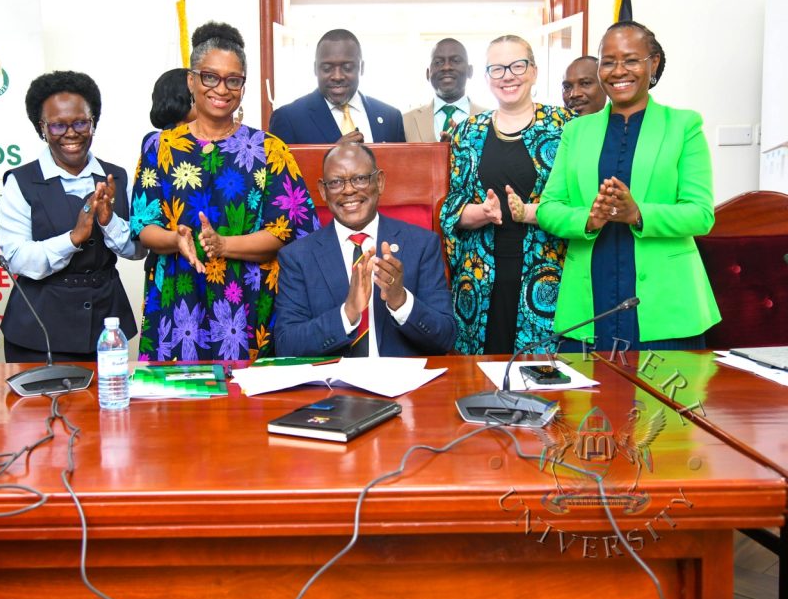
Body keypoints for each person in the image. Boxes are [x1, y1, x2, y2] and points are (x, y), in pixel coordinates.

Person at [130, 21, 320, 361]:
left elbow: (289, 232)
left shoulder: (270, 150)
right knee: (180, 407)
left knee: (249, 407)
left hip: (248, 300)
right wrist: (175, 240)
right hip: (178, 297)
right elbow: (144, 226)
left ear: (243, 86)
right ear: (191, 80)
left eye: (233, 80)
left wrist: (224, 246)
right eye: (210, 77)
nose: (222, 88)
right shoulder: (160, 147)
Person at [539, 21, 720, 351]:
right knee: (587, 402)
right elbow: (549, 208)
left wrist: (638, 214)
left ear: (653, 64)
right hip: (588, 303)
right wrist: (588, 220)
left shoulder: (683, 126)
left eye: (631, 60)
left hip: (667, 309)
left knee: (666, 400)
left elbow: (700, 214)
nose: (618, 70)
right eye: (608, 61)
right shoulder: (576, 132)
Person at [439, 35, 575, 355]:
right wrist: (481, 213)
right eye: (497, 69)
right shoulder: (466, 132)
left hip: (548, 275)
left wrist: (531, 211)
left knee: (541, 384)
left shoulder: (567, 126)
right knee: (481, 379)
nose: (508, 76)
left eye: (517, 65)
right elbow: (452, 204)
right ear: (486, 78)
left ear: (534, 72)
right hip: (480, 277)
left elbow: (578, 201)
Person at [0, 71, 143, 362]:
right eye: (57, 126)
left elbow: (138, 249)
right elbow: (16, 258)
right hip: (39, 332)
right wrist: (73, 237)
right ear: (42, 128)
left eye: (80, 122)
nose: (71, 133)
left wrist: (107, 221)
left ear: (93, 123)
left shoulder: (117, 177)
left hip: (107, 328)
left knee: (108, 406)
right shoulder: (21, 181)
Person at [275, 143, 456, 357]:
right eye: (335, 182)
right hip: (331, 387)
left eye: (360, 179)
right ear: (323, 191)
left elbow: (445, 337)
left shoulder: (422, 244)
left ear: (379, 182)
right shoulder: (297, 257)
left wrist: (401, 300)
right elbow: (286, 345)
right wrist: (348, 312)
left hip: (404, 387)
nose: (349, 190)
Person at [269, 29, 405, 145]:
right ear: (315, 69)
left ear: (361, 68)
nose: (337, 76)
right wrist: (332, 156)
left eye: (347, 67)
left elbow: (403, 172)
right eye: (327, 68)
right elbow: (277, 176)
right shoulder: (288, 118)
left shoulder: (391, 118)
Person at [404, 38, 487, 143]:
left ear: (470, 71)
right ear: (427, 74)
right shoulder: (405, 121)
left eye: (456, 61)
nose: (446, 67)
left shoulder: (491, 119)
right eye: (438, 62)